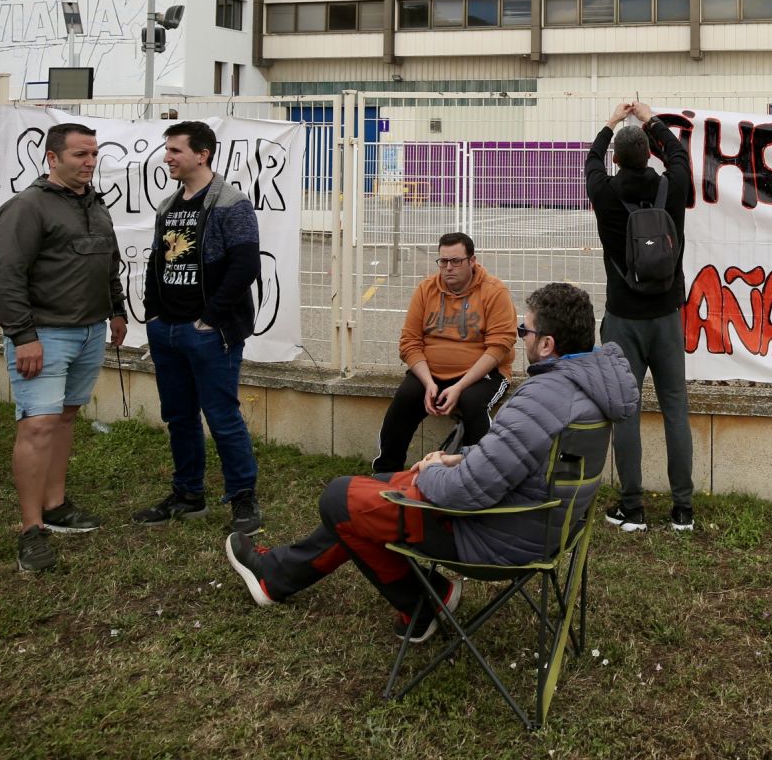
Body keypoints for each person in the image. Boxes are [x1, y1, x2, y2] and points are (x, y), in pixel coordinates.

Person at [225, 282, 635, 641]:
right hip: (539, 526)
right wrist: (458, 457)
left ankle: (424, 603)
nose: (520, 337)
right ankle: (275, 577)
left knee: (339, 498)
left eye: (524, 330)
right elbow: (516, 458)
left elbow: (467, 492)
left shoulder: (543, 396)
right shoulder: (586, 391)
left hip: (493, 536)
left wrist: (436, 470)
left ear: (547, 344)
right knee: (380, 483)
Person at [0, 122, 127, 574]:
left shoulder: (95, 203)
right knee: (38, 426)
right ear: (52, 157)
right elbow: (5, 279)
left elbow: (108, 261)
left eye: (93, 155)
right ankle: (31, 530)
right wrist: (23, 335)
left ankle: (56, 504)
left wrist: (116, 310)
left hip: (89, 332)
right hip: (44, 335)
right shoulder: (26, 207)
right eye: (80, 155)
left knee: (65, 417)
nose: (89, 163)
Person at [132, 120, 264, 535]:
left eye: (175, 150)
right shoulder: (168, 205)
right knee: (179, 418)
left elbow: (246, 265)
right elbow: (157, 262)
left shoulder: (231, 203)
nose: (167, 157)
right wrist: (153, 314)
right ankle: (188, 495)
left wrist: (210, 318)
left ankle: (243, 499)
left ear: (201, 154)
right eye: (167, 150)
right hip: (166, 330)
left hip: (209, 333)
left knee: (223, 418)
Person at [586, 99, 695, 531]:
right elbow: (680, 154)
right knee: (675, 408)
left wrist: (611, 122)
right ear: (650, 153)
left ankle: (631, 507)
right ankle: (682, 509)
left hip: (623, 317)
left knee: (626, 410)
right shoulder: (673, 187)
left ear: (616, 158)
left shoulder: (605, 194)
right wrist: (651, 119)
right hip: (667, 315)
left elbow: (592, 160)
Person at [373, 232, 518, 477]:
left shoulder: (494, 291)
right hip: (432, 372)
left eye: (456, 261)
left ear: (472, 261)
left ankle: (480, 475)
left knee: (473, 405)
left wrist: (460, 386)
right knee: (406, 397)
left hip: (483, 374)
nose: (448, 268)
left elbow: (499, 346)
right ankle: (386, 472)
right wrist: (429, 383)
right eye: (443, 262)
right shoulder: (426, 289)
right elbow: (409, 343)